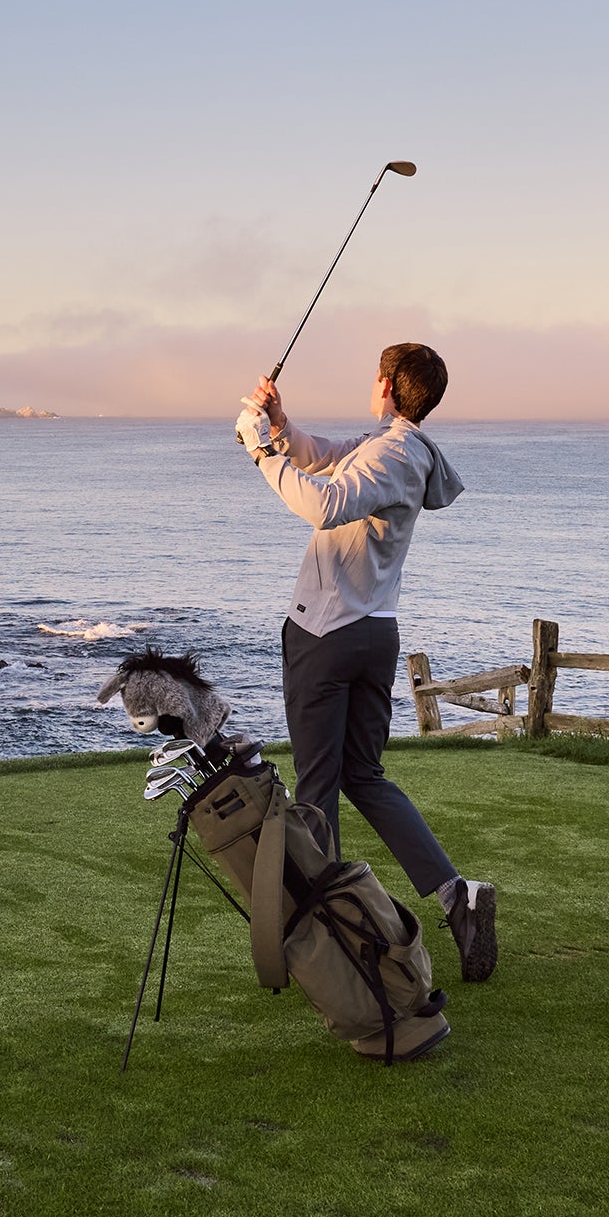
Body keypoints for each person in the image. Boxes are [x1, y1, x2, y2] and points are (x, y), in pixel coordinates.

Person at [235, 343, 497, 982]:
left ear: (385, 384)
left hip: (327, 635)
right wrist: (280, 427)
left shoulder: (391, 453)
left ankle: (332, 934)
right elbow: (327, 456)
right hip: (374, 633)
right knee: (363, 775)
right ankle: (456, 897)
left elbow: (324, 503)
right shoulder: (397, 446)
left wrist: (261, 451)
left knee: (318, 788)